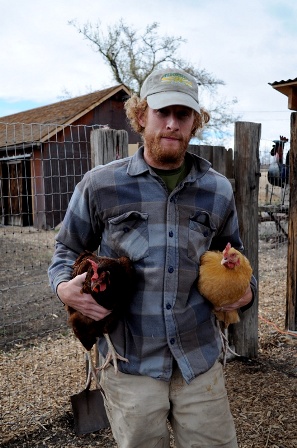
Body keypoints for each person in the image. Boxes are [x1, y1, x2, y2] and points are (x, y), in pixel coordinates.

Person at [48, 68, 256, 448]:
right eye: (163, 113)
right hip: (130, 360)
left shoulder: (218, 189)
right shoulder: (100, 185)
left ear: (196, 122)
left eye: (183, 114)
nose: (173, 124)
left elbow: (234, 252)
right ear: (141, 116)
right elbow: (65, 249)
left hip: (199, 359)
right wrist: (64, 288)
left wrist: (245, 290)